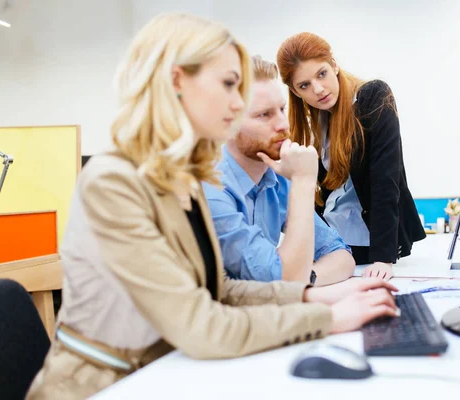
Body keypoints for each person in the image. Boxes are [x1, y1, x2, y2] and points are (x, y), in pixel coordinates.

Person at [26, 14, 400, 400]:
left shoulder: (180, 176)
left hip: (165, 370)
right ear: (176, 83)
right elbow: (199, 324)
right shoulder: (114, 182)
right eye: (228, 85)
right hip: (104, 385)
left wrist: (315, 296)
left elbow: (216, 290)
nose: (238, 104)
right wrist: (328, 318)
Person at [276, 32, 426, 281]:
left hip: (369, 247)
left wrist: (383, 259)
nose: (318, 89)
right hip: (330, 244)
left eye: (321, 74)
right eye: (304, 85)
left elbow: (385, 179)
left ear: (334, 64)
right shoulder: (315, 121)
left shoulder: (372, 98)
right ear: (295, 91)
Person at [202, 55, 355, 286]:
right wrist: (304, 181)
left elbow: (340, 255)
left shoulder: (276, 180)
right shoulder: (210, 189)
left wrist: (306, 279)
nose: (283, 124)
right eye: (264, 114)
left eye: (282, 109)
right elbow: (279, 277)